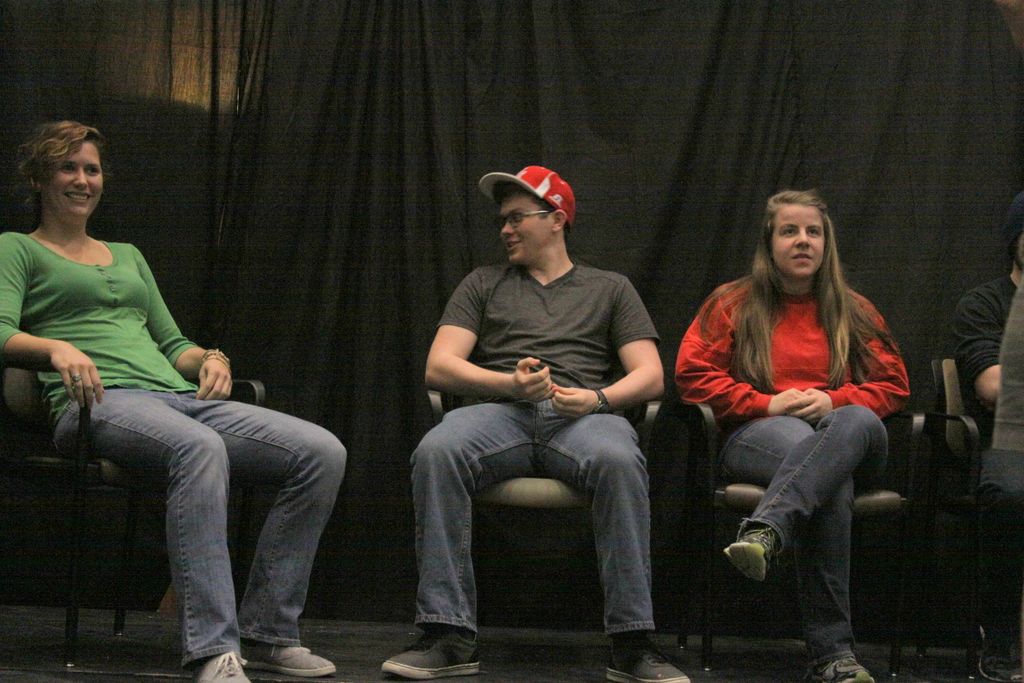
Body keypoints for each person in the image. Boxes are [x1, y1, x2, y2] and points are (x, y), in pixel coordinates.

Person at [0, 121, 347, 683]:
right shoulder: (16, 249)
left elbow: (172, 344)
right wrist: (55, 348)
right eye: (68, 167)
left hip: (177, 398)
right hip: (98, 403)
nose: (82, 180)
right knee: (199, 447)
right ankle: (213, 648)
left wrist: (212, 358)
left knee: (321, 452)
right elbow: (0, 331)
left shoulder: (128, 255)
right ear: (39, 178)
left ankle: (268, 631)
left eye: (91, 169)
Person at [380, 166, 687, 682]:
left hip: (581, 419)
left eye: (516, 218)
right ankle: (448, 635)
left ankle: (631, 642)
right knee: (437, 450)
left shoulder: (611, 288)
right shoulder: (482, 283)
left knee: (619, 458)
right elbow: (439, 367)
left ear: (557, 219)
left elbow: (651, 376)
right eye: (502, 220)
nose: (505, 229)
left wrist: (596, 398)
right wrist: (510, 384)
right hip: (501, 414)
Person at [675, 190, 910, 683]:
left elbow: (893, 385)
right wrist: (766, 403)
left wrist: (833, 400)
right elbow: (691, 375)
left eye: (813, 232)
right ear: (769, 242)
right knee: (829, 481)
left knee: (854, 421)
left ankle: (768, 527)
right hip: (760, 434)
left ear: (827, 243)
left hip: (848, 435)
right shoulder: (732, 303)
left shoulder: (855, 310)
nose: (803, 240)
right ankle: (834, 656)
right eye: (789, 231)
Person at [955, 190, 1024, 682]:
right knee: (1012, 495)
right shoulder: (985, 304)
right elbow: (994, 387)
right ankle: (1000, 638)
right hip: (1009, 438)